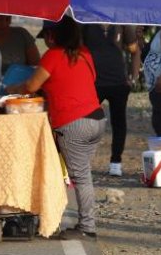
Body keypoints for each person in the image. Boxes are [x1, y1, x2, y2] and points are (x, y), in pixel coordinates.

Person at [7, 16, 105, 239]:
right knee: (83, 174)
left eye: (46, 38)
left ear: (52, 36)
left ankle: (87, 227)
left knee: (80, 176)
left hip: (73, 122)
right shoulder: (85, 53)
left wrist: (11, 88)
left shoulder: (52, 56)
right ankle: (80, 221)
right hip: (97, 118)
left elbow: (31, 85)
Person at [82, 23, 139, 177]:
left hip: (118, 83)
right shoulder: (86, 23)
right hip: (94, 83)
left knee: (118, 123)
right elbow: (79, 51)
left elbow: (135, 51)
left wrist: (133, 78)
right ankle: (82, 161)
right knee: (87, 122)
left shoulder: (122, 24)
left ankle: (116, 162)